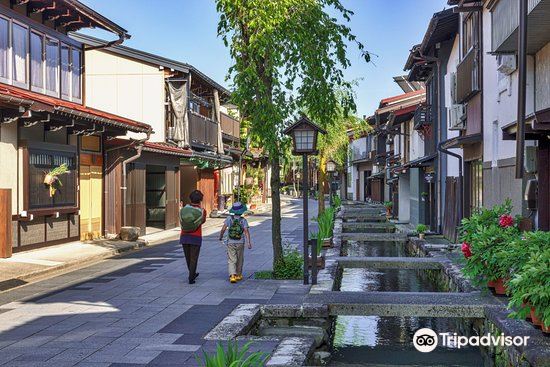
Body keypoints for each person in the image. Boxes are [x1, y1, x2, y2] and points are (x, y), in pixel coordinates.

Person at [218, 202, 252, 283]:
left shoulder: (229, 218)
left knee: (231, 259)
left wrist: (221, 237)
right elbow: (246, 232)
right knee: (240, 258)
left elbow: (223, 229)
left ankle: (232, 275)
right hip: (240, 242)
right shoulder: (243, 220)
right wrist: (249, 242)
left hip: (230, 242)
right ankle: (238, 275)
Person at [179, 190, 207, 284]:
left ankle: (192, 273)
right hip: (196, 237)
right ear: (200, 200)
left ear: (190, 199)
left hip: (184, 236)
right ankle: (191, 277)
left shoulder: (183, 210)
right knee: (194, 258)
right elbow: (202, 222)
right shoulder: (202, 211)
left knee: (188, 257)